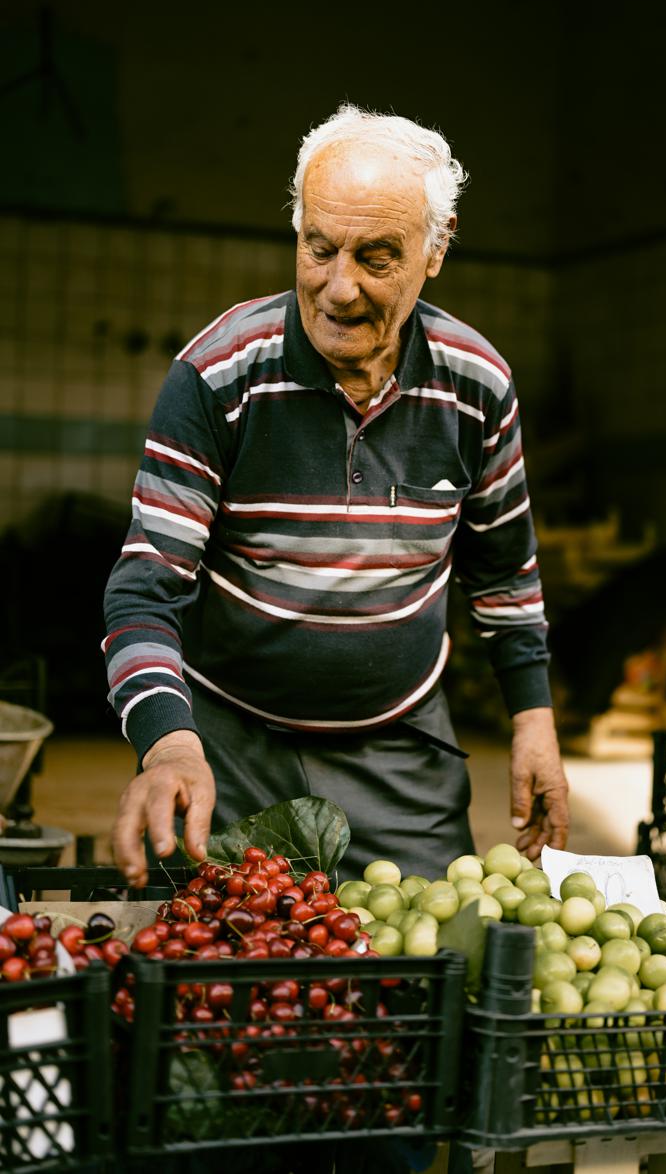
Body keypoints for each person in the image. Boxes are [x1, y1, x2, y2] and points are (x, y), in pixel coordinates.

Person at [103, 104, 569, 888]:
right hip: (228, 745)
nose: (340, 287)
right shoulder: (219, 377)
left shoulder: (477, 386)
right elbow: (145, 592)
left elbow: (504, 576)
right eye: (320, 248)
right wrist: (168, 743)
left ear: (436, 250)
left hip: (398, 751)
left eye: (377, 256)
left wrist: (535, 722)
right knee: (222, 964)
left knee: (427, 964)